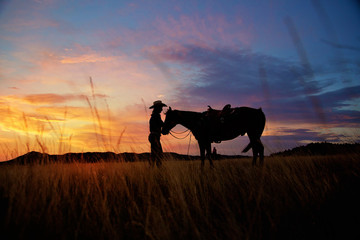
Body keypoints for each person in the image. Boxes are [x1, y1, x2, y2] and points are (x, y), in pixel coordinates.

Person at [148, 100, 167, 167]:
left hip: (153, 136)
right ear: (157, 108)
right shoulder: (156, 116)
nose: (161, 109)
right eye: (161, 107)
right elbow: (162, 124)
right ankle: (157, 169)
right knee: (158, 154)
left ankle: (152, 168)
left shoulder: (154, 115)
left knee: (154, 154)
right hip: (154, 136)